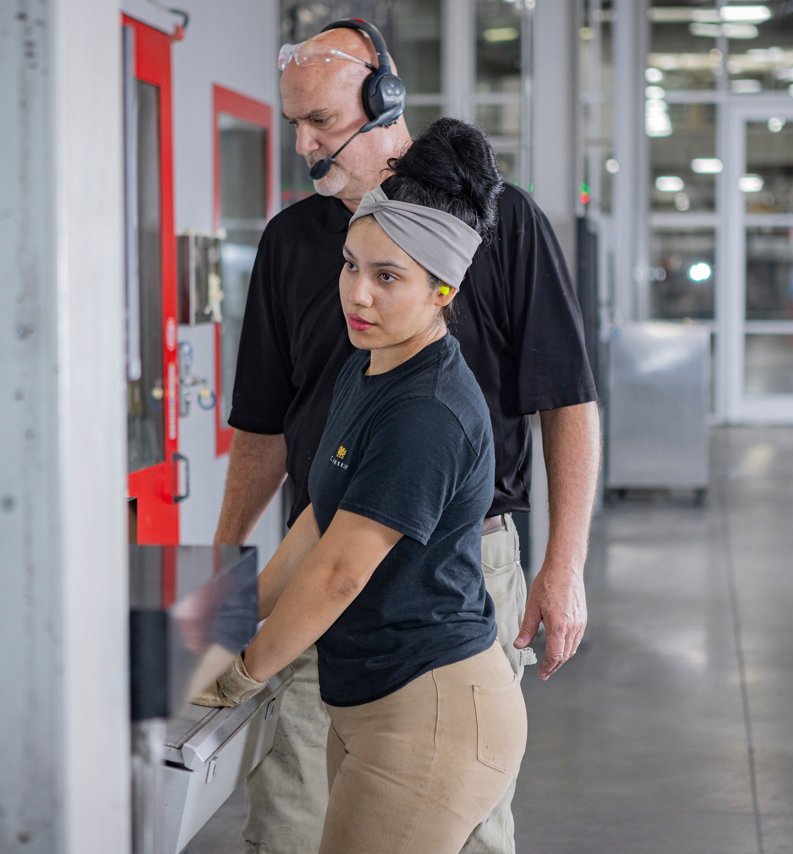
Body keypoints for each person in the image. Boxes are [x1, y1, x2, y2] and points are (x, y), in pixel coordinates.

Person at [216, 18, 601, 854]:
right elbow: (263, 428)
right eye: (294, 126)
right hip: (316, 564)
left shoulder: (504, 227)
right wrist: (224, 568)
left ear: (386, 101)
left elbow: (566, 401)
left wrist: (562, 566)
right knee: (290, 812)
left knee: (456, 817)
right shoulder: (291, 243)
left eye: (321, 123)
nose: (304, 145)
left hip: (464, 566)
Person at [197, 117, 526, 854]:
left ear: (443, 291)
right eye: (352, 265)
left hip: (434, 708)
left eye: (388, 278)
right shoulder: (368, 366)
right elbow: (317, 521)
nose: (359, 296)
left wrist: (245, 672)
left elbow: (342, 572)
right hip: (375, 701)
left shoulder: (429, 411)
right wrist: (229, 620)